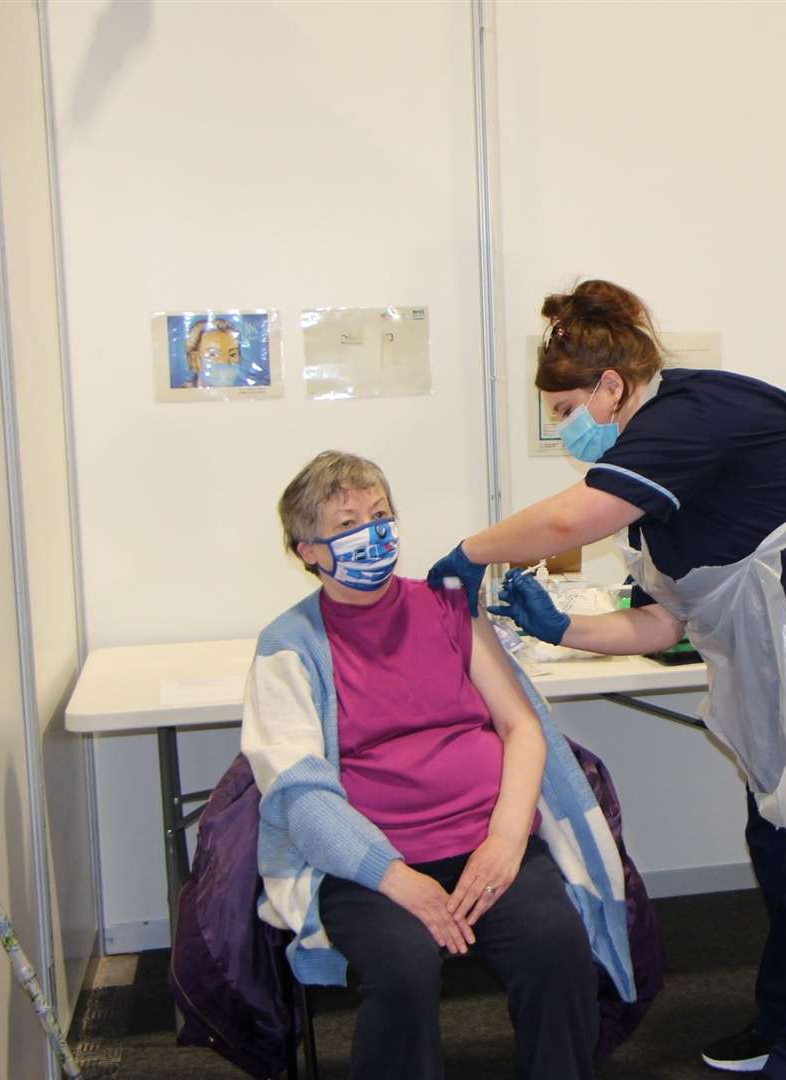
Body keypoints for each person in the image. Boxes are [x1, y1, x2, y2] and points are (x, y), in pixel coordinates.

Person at [427, 280, 786, 1080]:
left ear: (612, 386)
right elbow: (661, 623)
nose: (560, 428)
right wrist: (560, 628)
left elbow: (569, 520)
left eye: (565, 408)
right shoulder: (651, 473)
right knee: (778, 837)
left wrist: (470, 552)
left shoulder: (692, 417)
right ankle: (784, 1021)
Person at [242, 450, 635, 1080]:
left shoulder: (448, 605)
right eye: (347, 524)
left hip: (484, 840)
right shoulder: (289, 645)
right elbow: (301, 795)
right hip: (371, 863)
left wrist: (506, 842)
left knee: (555, 948)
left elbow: (521, 727)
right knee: (403, 969)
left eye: (381, 514)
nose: (372, 533)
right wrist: (398, 879)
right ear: (308, 551)